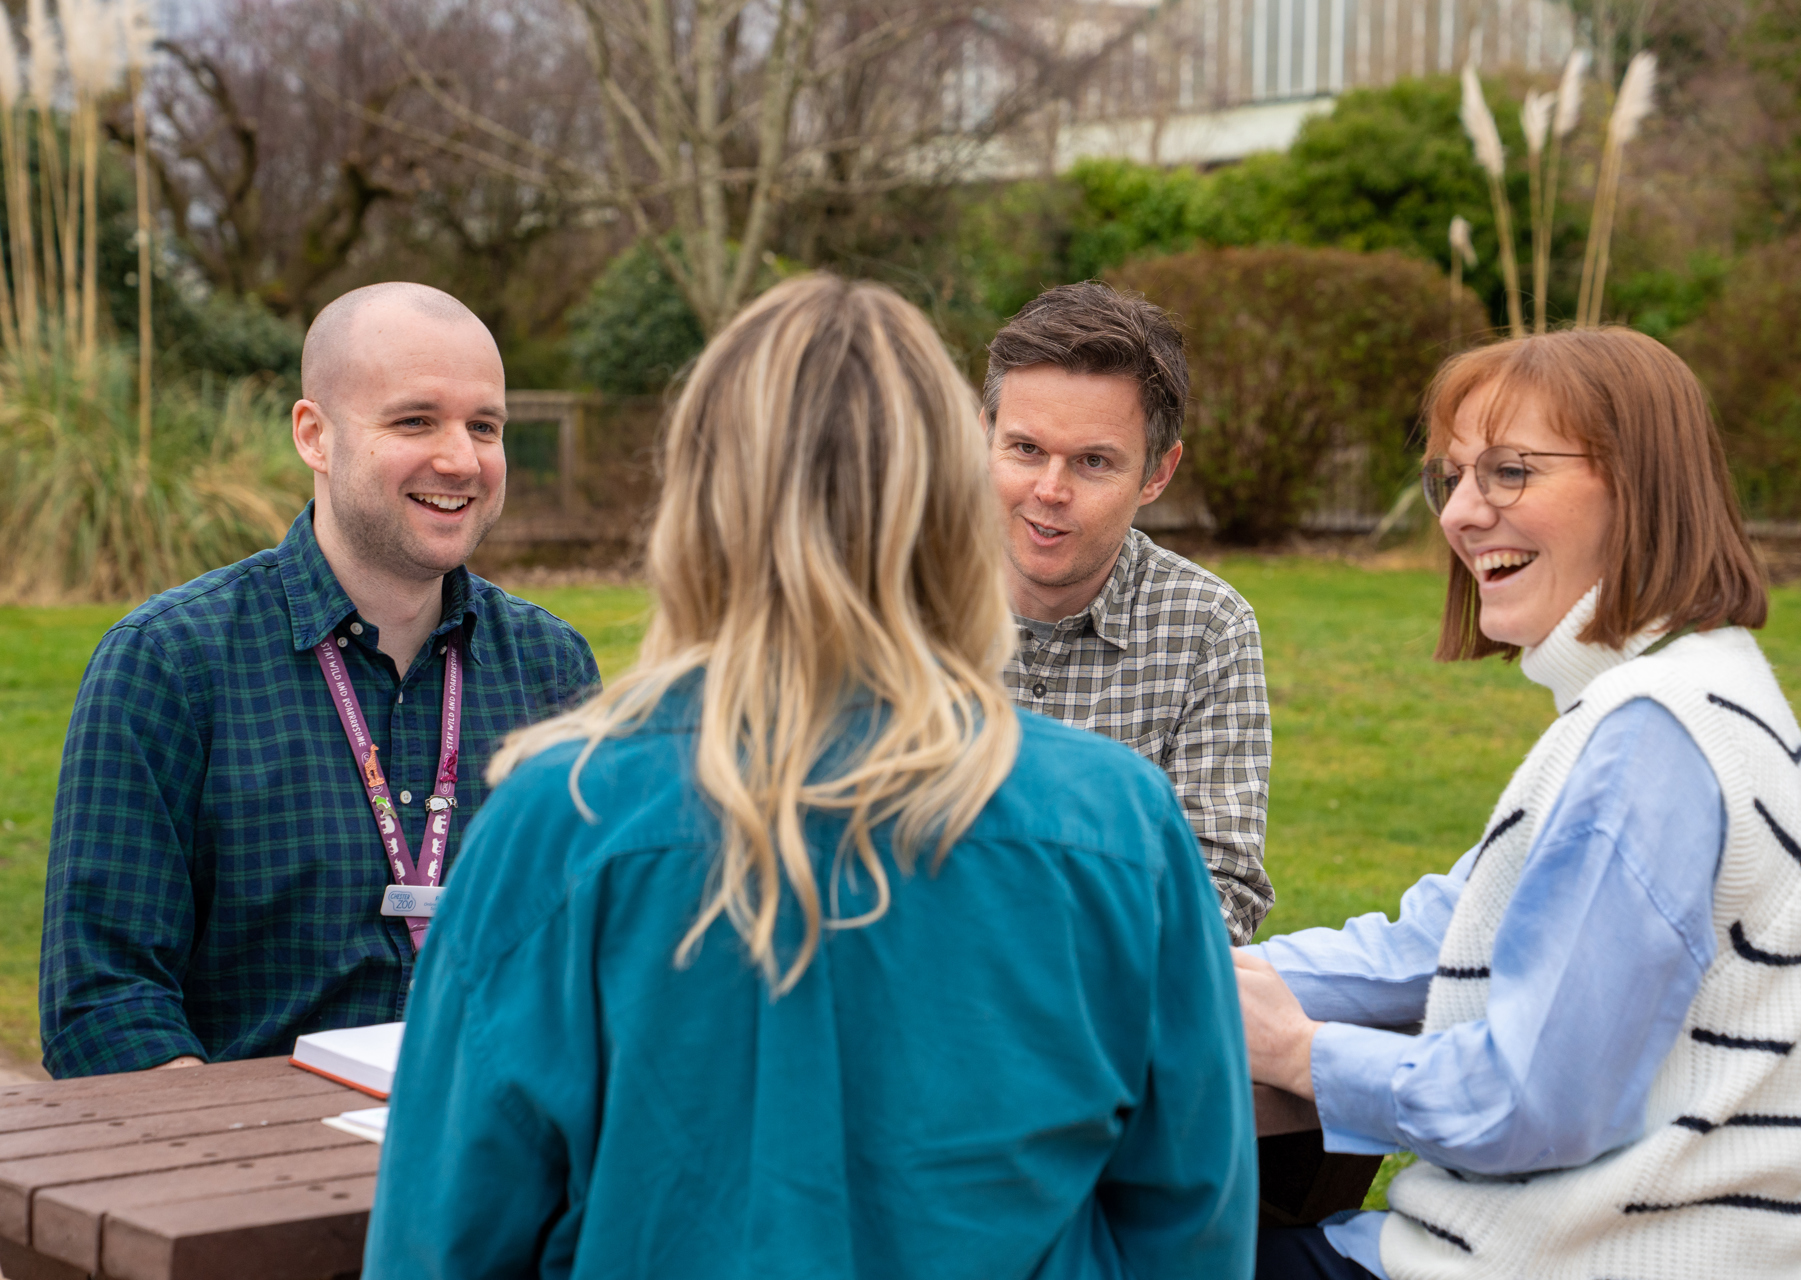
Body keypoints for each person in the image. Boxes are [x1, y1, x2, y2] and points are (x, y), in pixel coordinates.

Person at [362, 275, 1256, 1279]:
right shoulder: (1116, 822)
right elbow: (1196, 1220)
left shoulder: (558, 819)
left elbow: (441, 1242)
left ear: (699, 493)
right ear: (955, 487)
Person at [1233, 327, 1801, 1279]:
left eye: (1511, 472)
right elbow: (1429, 947)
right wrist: (1187, 976)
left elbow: (1530, 1102)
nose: (1461, 515)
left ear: (1640, 486)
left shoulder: (1654, 735)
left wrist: (1294, 1049)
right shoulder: (1673, 696)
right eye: (1455, 478)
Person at [39, 282, 600, 1078]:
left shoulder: (552, 670)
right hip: (252, 1172)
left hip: (494, 1165)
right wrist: (242, 1171)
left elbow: (592, 958)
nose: (461, 459)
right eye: (415, 420)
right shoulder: (170, 665)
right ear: (315, 435)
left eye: (485, 426)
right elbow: (105, 1001)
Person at [984, 281, 1274, 943]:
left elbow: (1220, 887)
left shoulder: (1209, 628)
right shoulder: (894, 599)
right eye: (1026, 449)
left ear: (1157, 473)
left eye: (1092, 462)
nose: (1049, 491)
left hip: (1107, 1016)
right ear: (985, 435)